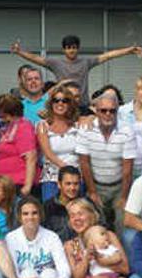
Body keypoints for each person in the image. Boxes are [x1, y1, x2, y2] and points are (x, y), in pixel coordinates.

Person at [10, 35, 142, 103]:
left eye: (74, 47)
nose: (71, 50)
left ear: (77, 48)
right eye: (68, 47)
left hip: (83, 104)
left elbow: (107, 56)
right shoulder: (56, 63)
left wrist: (129, 50)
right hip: (64, 103)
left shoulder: (86, 62)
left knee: (110, 95)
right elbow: (36, 58)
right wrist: (19, 52)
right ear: (64, 49)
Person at [76, 92, 135, 235]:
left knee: (124, 226)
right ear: (96, 111)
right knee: (96, 227)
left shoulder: (127, 131)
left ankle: (124, 256)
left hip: (120, 186)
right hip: (96, 185)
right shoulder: (85, 130)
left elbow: (128, 169)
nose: (108, 114)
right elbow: (84, 163)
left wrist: (123, 197)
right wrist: (92, 192)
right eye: (103, 110)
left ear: (117, 111)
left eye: (112, 110)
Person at [36, 84, 81, 202]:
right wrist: (67, 169)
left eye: (65, 100)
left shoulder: (78, 125)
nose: (60, 103)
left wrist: (72, 174)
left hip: (75, 180)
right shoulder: (42, 125)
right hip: (52, 179)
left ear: (70, 104)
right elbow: (48, 153)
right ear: (51, 103)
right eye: (56, 100)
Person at [0, 94, 38, 197]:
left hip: (18, 183)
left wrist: (27, 186)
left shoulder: (24, 127)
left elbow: (31, 157)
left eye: (2, 114)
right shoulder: (5, 127)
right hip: (2, 182)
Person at [43, 166, 102, 237]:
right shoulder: (48, 207)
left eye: (76, 184)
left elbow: (101, 227)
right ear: (59, 184)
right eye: (68, 184)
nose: (72, 188)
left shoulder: (88, 203)